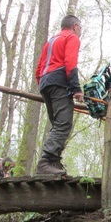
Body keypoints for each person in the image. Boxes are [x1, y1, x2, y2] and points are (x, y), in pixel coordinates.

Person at [35, 14, 84, 175]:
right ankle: (46, 161)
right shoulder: (71, 38)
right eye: (80, 28)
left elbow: (39, 68)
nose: (80, 32)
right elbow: (70, 63)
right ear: (75, 26)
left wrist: (43, 83)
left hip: (45, 82)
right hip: (58, 81)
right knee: (63, 123)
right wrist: (76, 88)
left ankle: (53, 163)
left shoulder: (51, 40)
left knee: (57, 123)